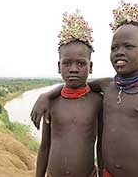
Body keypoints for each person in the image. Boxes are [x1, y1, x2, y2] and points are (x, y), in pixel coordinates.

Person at [32, 1, 138, 177]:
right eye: (114, 48)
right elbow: (77, 86)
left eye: (129, 46)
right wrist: (46, 95)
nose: (120, 52)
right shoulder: (107, 86)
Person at [35, 11, 103, 177]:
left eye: (81, 63)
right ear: (59, 67)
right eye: (67, 63)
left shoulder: (97, 101)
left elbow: (101, 145)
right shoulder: (51, 102)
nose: (73, 69)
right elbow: (45, 146)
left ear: (91, 66)